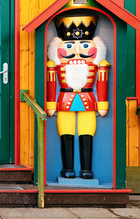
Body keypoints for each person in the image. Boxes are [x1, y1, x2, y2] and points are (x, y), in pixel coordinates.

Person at [46, 14, 111, 179]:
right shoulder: (54, 65)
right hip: (65, 100)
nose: (76, 51)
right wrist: (51, 103)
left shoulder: (99, 65)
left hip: (88, 100)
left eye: (84, 45)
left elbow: (102, 83)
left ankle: (86, 169)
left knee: (86, 133)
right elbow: (51, 83)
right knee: (66, 133)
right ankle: (67, 168)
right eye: (69, 45)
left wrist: (102, 103)